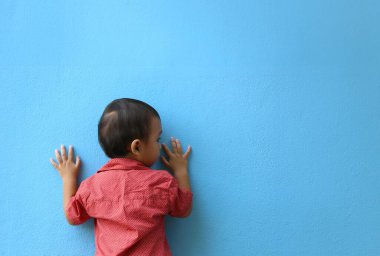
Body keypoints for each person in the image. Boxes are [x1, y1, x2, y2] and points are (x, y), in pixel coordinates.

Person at [50, 98, 193, 256]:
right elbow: (183, 208)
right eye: (157, 140)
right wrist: (181, 171)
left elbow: (72, 216)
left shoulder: (91, 187)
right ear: (137, 147)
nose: (159, 145)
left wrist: (68, 177)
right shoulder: (161, 182)